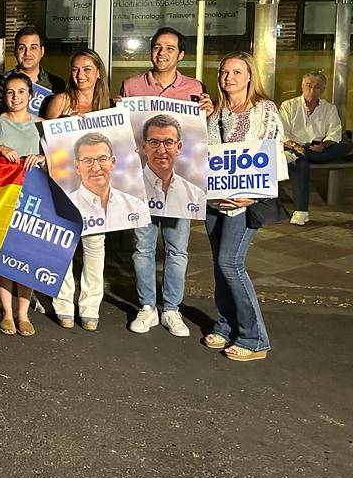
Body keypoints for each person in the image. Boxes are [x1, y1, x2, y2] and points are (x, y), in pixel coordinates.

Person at [120, 27, 212, 338]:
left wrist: (208, 114)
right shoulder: (132, 86)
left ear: (181, 54)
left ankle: (171, 309)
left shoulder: (194, 88)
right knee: (142, 248)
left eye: (170, 48)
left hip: (180, 181)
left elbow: (201, 135)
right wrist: (118, 111)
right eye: (158, 47)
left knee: (177, 249)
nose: (163, 53)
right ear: (150, 51)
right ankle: (147, 306)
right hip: (141, 181)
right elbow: (125, 133)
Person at [203, 51, 286, 362]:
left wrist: (255, 195)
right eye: (225, 72)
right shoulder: (218, 112)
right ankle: (226, 326)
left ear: (250, 76)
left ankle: (254, 338)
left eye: (237, 72)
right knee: (219, 266)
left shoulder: (265, 111)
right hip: (215, 201)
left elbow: (275, 158)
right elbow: (207, 155)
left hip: (245, 203)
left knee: (230, 263)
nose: (229, 78)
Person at [44, 49, 112, 332]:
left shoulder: (110, 106)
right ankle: (62, 304)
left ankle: (90, 306)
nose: (80, 75)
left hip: (97, 187)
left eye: (87, 69)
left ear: (98, 72)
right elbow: (46, 142)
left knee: (95, 246)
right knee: (64, 246)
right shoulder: (60, 101)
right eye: (75, 69)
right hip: (64, 185)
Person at [0, 72, 45, 337]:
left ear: (30, 95)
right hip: (2, 197)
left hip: (33, 199)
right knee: (4, 257)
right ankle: (7, 313)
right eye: (10, 92)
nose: (15, 97)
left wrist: (42, 158)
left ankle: (23, 313)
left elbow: (57, 160)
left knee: (26, 256)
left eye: (21, 92)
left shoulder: (43, 124)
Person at [280, 71, 349, 225]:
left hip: (320, 149)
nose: (312, 90)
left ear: (322, 90)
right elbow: (281, 134)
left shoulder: (329, 108)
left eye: (317, 87)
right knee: (301, 162)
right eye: (308, 86)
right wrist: (295, 146)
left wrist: (324, 145)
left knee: (343, 147)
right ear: (302, 86)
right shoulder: (289, 106)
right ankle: (301, 212)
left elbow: (334, 134)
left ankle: (302, 155)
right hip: (293, 146)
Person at [0, 27, 66, 117]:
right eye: (22, 48)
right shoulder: (1, 81)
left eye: (33, 48)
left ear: (42, 51)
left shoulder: (56, 84)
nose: (27, 53)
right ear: (15, 51)